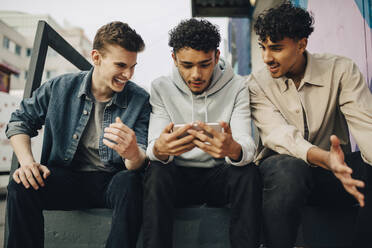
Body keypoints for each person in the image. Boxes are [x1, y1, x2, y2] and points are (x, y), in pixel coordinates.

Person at [5, 21, 150, 248]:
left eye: (133, 66)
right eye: (121, 65)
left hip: (112, 181)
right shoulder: (60, 87)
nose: (128, 74)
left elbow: (139, 160)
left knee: (131, 182)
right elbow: (19, 121)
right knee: (21, 183)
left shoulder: (139, 99)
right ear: (96, 57)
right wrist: (27, 163)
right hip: (66, 177)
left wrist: (133, 153)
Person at [248, 2, 372, 247]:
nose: (266, 58)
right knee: (288, 169)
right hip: (283, 175)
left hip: (336, 172)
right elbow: (278, 135)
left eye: (276, 48)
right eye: (263, 47)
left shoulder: (341, 69)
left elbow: (365, 126)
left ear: (302, 44)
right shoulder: (256, 84)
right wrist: (325, 158)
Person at [143, 18, 262, 248]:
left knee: (247, 173)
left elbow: (247, 144)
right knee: (156, 171)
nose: (196, 74)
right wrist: (160, 149)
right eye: (187, 65)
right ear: (174, 59)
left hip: (219, 176)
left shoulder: (237, 86)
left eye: (205, 64)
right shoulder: (160, 87)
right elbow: (152, 146)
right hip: (177, 179)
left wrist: (234, 150)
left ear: (217, 57)